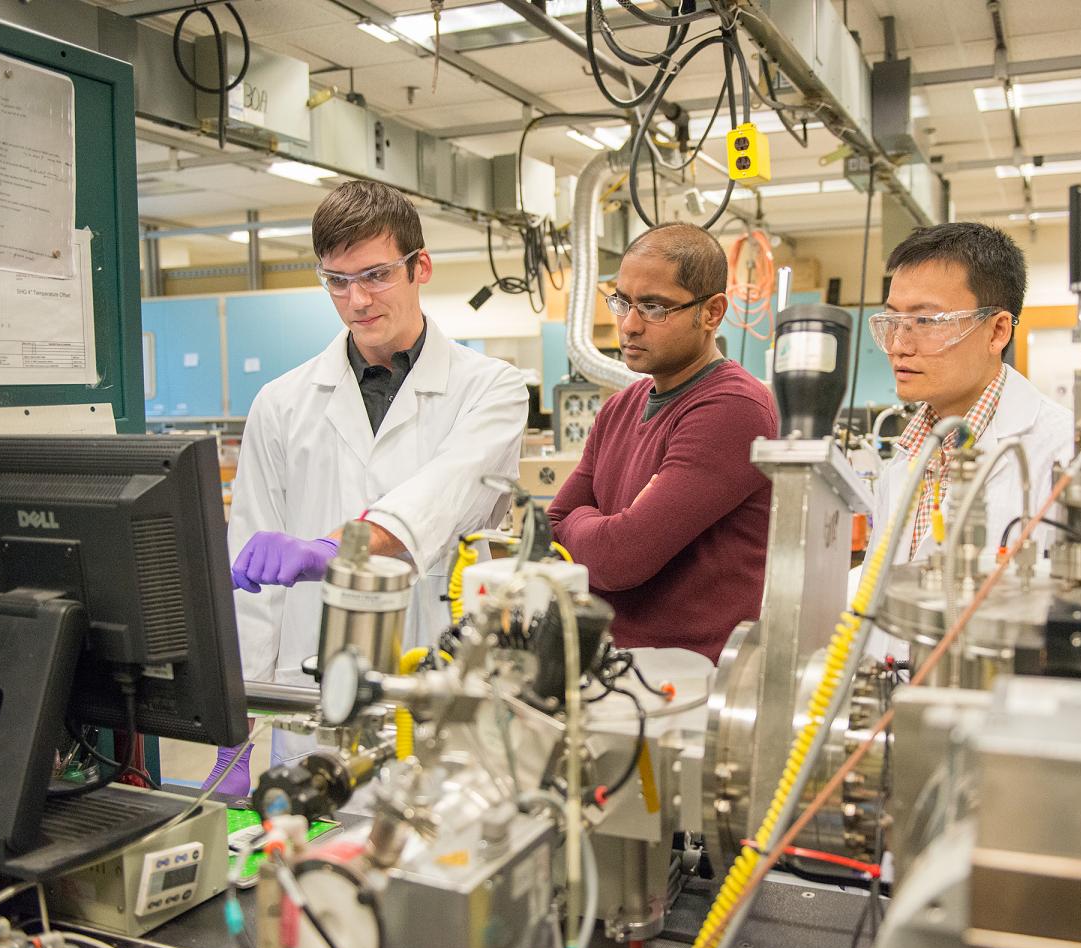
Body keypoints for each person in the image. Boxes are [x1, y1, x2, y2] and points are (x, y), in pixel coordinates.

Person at [216, 181, 528, 788]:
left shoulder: (490, 388)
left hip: (441, 694)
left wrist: (335, 550)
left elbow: (446, 491)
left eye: (377, 275)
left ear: (421, 268)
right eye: (337, 280)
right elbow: (251, 586)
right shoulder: (281, 403)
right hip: (311, 701)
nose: (357, 299)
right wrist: (234, 732)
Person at [547, 223, 778, 664]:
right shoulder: (620, 406)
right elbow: (551, 527)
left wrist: (586, 522)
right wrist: (595, 526)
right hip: (612, 663)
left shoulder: (734, 408)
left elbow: (620, 558)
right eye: (622, 302)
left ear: (712, 312)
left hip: (691, 676)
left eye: (654, 307)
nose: (629, 325)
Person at [868, 222, 1076, 565]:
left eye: (927, 322)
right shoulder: (908, 455)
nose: (898, 346)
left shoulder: (1068, 458)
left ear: (996, 332)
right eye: (892, 322)